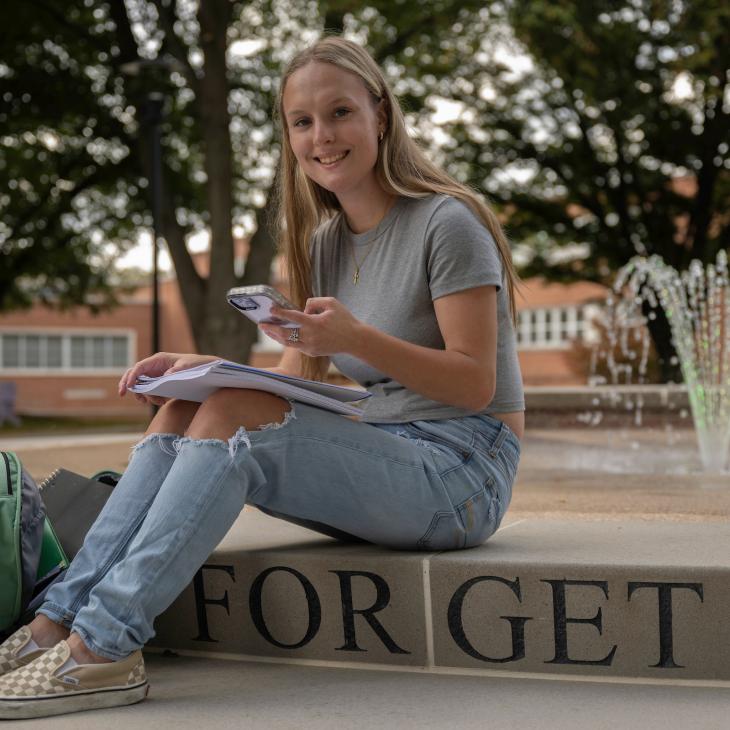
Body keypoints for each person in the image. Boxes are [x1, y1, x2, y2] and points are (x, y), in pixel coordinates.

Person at [0, 36, 524, 720]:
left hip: (465, 470)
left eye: (340, 113)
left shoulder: (447, 223)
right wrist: (199, 371)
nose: (322, 136)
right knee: (190, 409)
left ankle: (103, 648)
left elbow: (474, 386)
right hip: (390, 451)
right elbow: (289, 383)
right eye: (301, 122)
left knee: (231, 413)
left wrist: (357, 339)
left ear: (382, 117)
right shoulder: (323, 243)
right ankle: (53, 624)